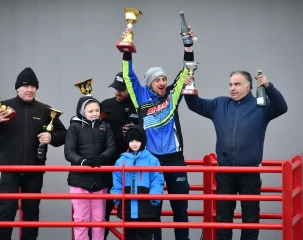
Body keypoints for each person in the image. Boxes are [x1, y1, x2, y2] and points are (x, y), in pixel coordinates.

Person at [184, 71, 288, 240]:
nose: (232, 88)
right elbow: (195, 105)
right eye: (231, 84)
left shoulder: (260, 105)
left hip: (250, 172)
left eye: (237, 84)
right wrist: (188, 86)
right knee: (223, 219)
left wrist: (269, 87)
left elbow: (282, 107)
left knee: (250, 219)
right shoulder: (220, 104)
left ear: (248, 87)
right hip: (225, 172)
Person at [120, 27, 197, 240]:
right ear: (149, 83)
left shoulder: (173, 95)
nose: (162, 82)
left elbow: (187, 69)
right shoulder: (139, 96)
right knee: (152, 211)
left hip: (175, 160)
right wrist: (127, 50)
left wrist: (188, 46)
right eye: (157, 80)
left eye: (163, 78)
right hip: (150, 161)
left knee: (180, 209)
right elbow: (128, 75)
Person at [0, 67, 67, 240]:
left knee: (31, 216)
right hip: (10, 171)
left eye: (33, 86)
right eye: (26, 86)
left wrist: (51, 136)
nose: (30, 89)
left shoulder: (45, 110)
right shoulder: (4, 107)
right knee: (6, 213)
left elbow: (64, 135)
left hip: (34, 172)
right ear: (17, 88)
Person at [87, 71, 138, 240]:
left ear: (130, 89)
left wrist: (136, 129)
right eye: (115, 88)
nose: (117, 92)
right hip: (107, 164)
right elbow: (90, 127)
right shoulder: (105, 105)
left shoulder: (139, 106)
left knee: (132, 210)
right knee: (104, 208)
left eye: (121, 89)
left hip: (132, 166)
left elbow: (148, 133)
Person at [64, 95, 118, 240]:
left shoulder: (105, 126)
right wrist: (83, 162)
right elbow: (69, 151)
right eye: (90, 111)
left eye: (97, 110)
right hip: (79, 180)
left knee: (99, 221)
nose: (94, 113)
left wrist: (101, 159)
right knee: (81, 220)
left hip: (100, 180)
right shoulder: (74, 127)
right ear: (82, 112)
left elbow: (112, 147)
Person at [110, 125, 165, 240]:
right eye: (131, 141)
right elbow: (117, 181)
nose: (134, 144)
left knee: (146, 235)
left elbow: (157, 180)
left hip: (146, 205)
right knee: (129, 235)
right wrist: (118, 199)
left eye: (138, 141)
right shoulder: (121, 161)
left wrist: (153, 198)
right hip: (127, 204)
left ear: (143, 142)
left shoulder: (152, 160)